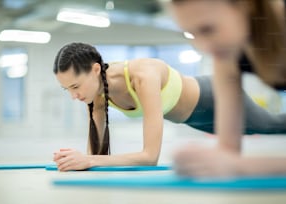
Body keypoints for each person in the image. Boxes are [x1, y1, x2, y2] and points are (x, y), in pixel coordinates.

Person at [52, 42, 286, 172]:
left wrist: (88, 160)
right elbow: (94, 156)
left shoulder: (142, 75)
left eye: (75, 86)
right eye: (67, 90)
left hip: (219, 96)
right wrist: (75, 160)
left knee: (275, 126)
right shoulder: (96, 95)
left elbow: (149, 157)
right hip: (197, 120)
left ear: (95, 70)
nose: (74, 96)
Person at [171, 0, 286, 176]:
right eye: (192, 34)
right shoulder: (226, 54)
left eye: (208, 29)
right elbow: (227, 151)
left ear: (246, 5)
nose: (204, 47)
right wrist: (199, 162)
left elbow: (233, 163)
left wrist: (241, 165)